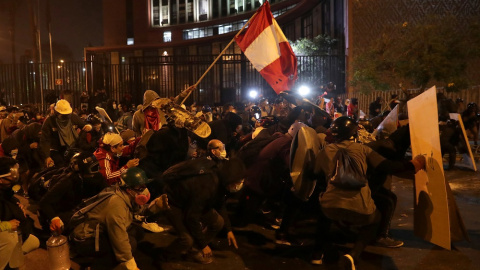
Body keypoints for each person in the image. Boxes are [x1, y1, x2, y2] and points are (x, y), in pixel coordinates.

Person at [312, 117, 425, 269]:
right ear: (354, 134)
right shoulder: (363, 149)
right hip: (360, 208)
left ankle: (317, 254)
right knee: (375, 218)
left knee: (324, 212)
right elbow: (390, 167)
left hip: (330, 207)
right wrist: (414, 164)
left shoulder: (325, 151)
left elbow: (313, 174)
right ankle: (353, 255)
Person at [69, 167, 169, 270]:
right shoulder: (116, 205)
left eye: (144, 186)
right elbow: (119, 237)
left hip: (101, 232)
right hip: (86, 239)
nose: (144, 190)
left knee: (137, 231)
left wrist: (155, 206)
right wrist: (129, 263)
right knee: (129, 243)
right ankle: (95, 267)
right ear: (129, 189)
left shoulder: (125, 195)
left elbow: (136, 211)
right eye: (140, 187)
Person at [162, 158, 245, 264]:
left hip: (191, 203)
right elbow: (192, 217)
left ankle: (193, 251)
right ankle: (164, 257)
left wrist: (228, 229)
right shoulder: (207, 186)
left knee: (218, 222)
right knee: (186, 240)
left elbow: (220, 204)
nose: (239, 185)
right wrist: (203, 245)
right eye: (237, 182)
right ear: (230, 179)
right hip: (174, 203)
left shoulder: (221, 181)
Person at [39, 152, 106, 235]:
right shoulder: (68, 181)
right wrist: (54, 218)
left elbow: (104, 192)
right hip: (64, 212)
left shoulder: (95, 176)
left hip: (78, 208)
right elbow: (44, 202)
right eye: (93, 168)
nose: (96, 171)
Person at [0, 157, 40, 269]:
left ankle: (8, 262)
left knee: (33, 242)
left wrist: (18, 208)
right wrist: (7, 225)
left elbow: (8, 204)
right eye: (11, 175)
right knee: (10, 239)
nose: (15, 178)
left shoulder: (5, 192)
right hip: (5, 234)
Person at [39, 99, 92, 167]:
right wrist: (47, 157)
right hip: (57, 150)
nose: (65, 117)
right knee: (61, 166)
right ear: (56, 113)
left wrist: (88, 126)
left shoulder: (73, 117)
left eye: (67, 114)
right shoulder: (50, 121)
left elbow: (84, 125)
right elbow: (45, 140)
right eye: (63, 115)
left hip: (73, 148)